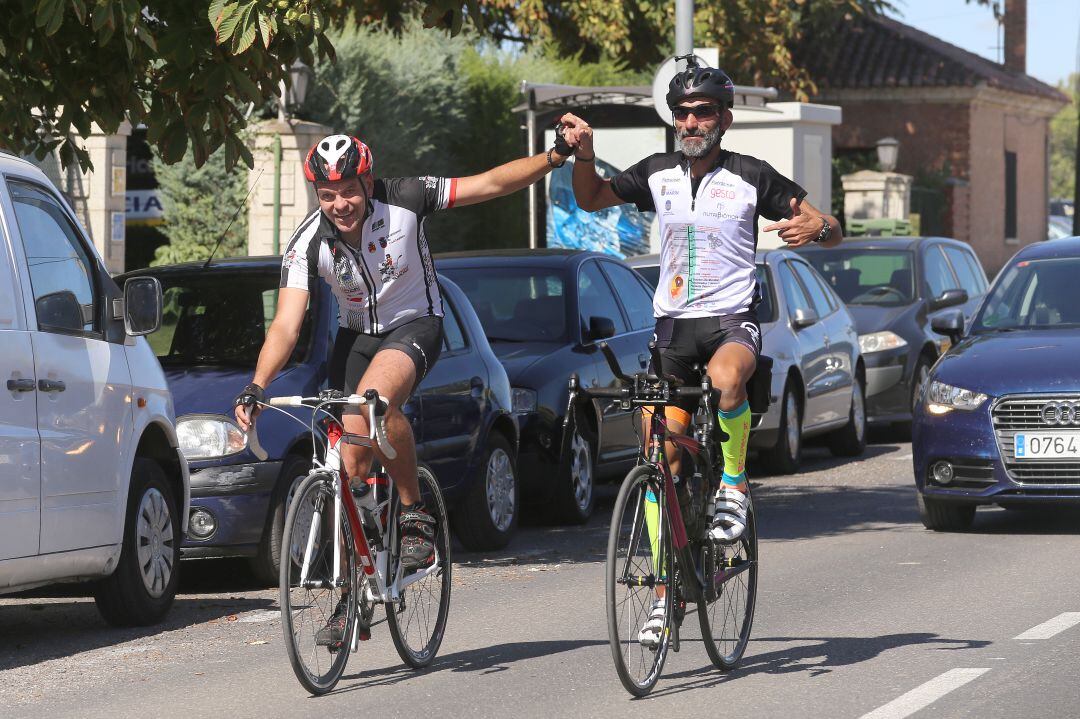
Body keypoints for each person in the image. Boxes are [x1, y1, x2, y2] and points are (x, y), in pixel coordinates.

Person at [233, 133, 575, 646]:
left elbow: (488, 184)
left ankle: (416, 516)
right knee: (348, 468)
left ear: (366, 181)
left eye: (348, 190)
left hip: (416, 324)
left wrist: (553, 158)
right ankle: (354, 592)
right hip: (356, 338)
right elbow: (286, 324)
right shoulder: (307, 242)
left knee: (371, 407)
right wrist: (256, 385)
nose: (340, 204)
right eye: (327, 196)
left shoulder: (407, 199)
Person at [559, 58, 842, 645]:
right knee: (661, 456)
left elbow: (829, 225)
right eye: (683, 112)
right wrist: (585, 153)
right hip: (670, 329)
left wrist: (818, 228)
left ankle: (734, 484)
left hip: (731, 321)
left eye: (703, 112)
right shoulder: (656, 173)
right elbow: (589, 201)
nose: (691, 121)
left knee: (726, 378)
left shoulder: (752, 175)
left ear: (724, 119)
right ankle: (666, 590)